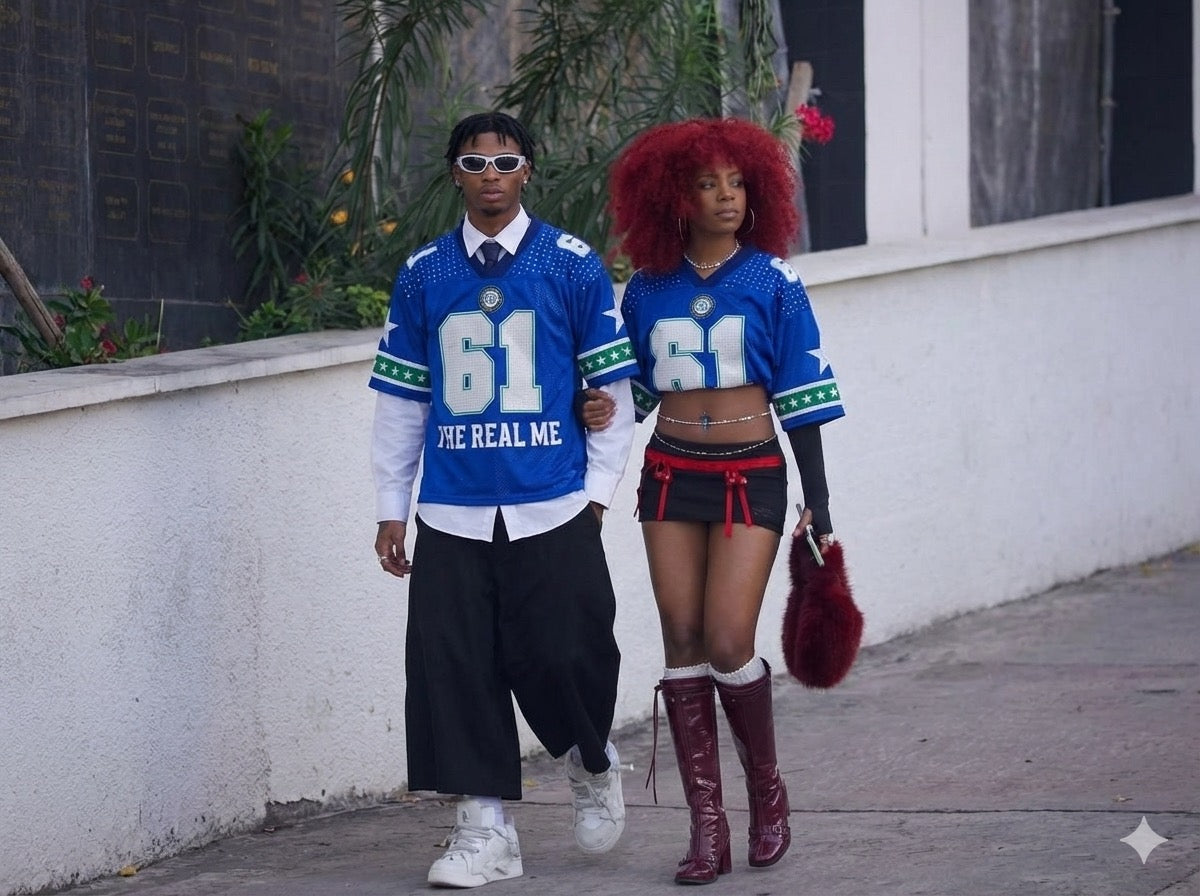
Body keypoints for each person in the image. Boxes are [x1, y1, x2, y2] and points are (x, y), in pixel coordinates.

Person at [370, 111, 638, 888]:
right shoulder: (423, 273)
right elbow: (403, 401)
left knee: (565, 651)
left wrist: (595, 493)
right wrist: (392, 504)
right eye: (475, 163)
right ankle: (483, 829)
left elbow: (612, 392)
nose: (491, 175)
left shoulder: (572, 264)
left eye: (506, 161)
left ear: (528, 170)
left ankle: (590, 760)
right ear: (454, 173)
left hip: (551, 500)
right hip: (452, 508)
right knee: (455, 666)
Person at [605, 117, 845, 885]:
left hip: (753, 472)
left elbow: (801, 396)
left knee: (728, 638)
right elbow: (633, 395)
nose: (726, 196)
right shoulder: (648, 287)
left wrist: (819, 499)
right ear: (674, 196)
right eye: (707, 184)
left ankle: (766, 796)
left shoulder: (774, 281)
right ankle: (705, 826)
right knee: (681, 637)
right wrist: (591, 410)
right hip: (670, 473)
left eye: (736, 182)